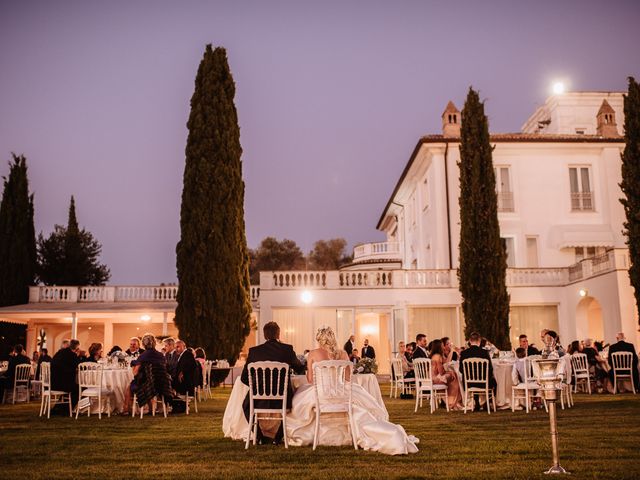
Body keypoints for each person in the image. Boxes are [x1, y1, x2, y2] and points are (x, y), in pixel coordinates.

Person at [284, 326, 419, 455]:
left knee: (298, 403)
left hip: (321, 396)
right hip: (342, 394)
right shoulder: (343, 353)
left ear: (319, 339)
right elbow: (348, 378)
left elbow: (310, 380)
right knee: (363, 404)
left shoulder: (313, 354)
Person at [240, 321, 304, 445]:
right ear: (278, 334)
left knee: (246, 405)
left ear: (265, 336)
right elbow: (299, 369)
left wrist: (258, 387)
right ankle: (278, 437)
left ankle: (258, 436)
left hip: (258, 398)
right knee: (296, 403)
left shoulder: (254, 351)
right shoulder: (287, 349)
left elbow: (244, 377)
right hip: (283, 396)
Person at [123, 333, 173, 415]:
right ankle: (153, 409)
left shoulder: (143, 356)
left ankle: (125, 409)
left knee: (129, 387)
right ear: (154, 343)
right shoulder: (161, 355)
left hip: (149, 384)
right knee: (149, 381)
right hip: (162, 383)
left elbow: (135, 373)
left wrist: (133, 366)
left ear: (143, 344)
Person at [458, 332, 496, 408]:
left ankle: (476, 402)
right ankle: (488, 402)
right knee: (495, 383)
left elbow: (461, 370)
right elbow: (490, 369)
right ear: (479, 340)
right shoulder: (484, 352)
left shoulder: (464, 353)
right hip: (483, 383)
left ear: (469, 341)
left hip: (469, 383)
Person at [429, 339, 463, 410]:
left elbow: (446, 362)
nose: (443, 347)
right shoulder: (438, 357)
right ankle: (453, 402)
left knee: (453, 376)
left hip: (432, 378)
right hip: (436, 379)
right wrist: (450, 372)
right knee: (454, 376)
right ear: (439, 347)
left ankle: (453, 401)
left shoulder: (434, 355)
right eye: (442, 346)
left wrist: (451, 351)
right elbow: (441, 372)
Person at [50, 339, 82, 407]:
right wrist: (78, 356)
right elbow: (79, 366)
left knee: (72, 388)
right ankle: (67, 409)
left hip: (52, 382)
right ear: (77, 348)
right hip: (61, 384)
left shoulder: (59, 352)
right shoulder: (72, 355)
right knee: (80, 389)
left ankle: (58, 408)